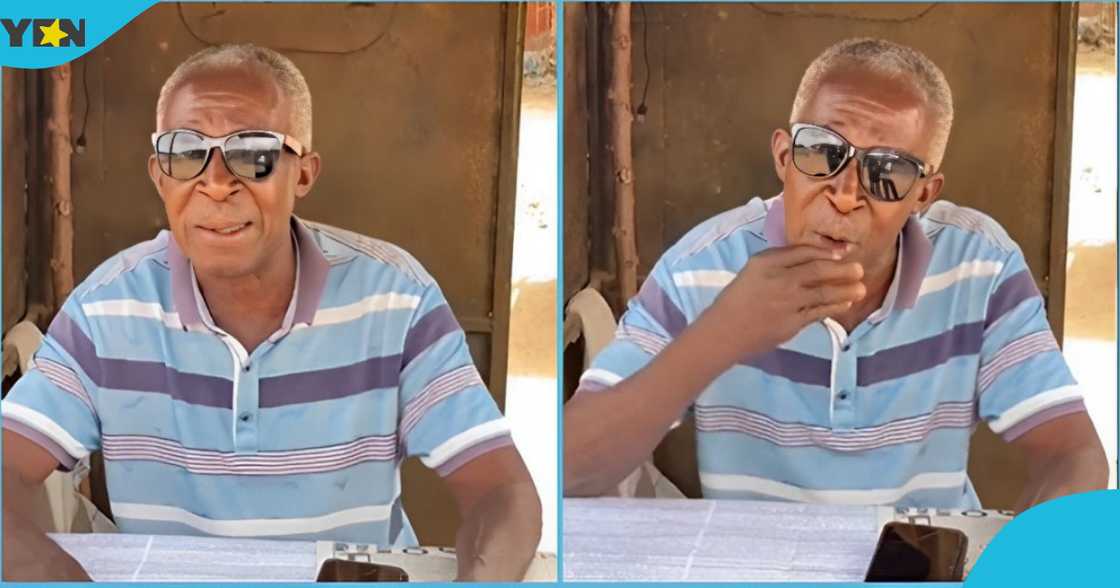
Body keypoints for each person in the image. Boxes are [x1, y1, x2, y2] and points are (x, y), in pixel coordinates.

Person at [2, 44, 541, 581]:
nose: (214, 183)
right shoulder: (107, 308)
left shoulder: (395, 299)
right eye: (186, 153)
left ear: (303, 175)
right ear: (159, 176)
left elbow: (500, 488)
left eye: (253, 153)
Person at [564, 38, 1108, 510]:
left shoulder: (980, 265)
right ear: (783, 157)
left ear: (924, 194)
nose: (846, 195)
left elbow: (1075, 456)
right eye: (822, 152)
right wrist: (722, 333)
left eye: (887, 172)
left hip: (917, 563)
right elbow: (572, 466)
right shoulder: (703, 266)